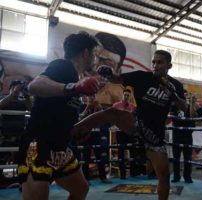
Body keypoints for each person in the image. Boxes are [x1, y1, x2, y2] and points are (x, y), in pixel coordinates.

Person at [16, 32, 135, 200]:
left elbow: (61, 111)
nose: (95, 60)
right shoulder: (63, 66)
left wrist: (80, 127)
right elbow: (34, 86)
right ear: (85, 53)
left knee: (81, 189)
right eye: (94, 55)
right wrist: (73, 87)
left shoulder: (75, 76)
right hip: (38, 146)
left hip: (60, 148)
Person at [72, 50, 187, 200]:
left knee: (164, 177)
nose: (155, 65)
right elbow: (118, 79)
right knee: (113, 112)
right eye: (153, 62)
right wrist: (109, 73)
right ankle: (74, 129)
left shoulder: (176, 85)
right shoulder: (142, 77)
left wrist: (174, 96)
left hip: (155, 135)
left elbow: (185, 107)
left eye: (160, 62)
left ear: (169, 65)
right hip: (137, 124)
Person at [112, 88, 140, 179]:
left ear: (130, 96)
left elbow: (136, 119)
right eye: (125, 95)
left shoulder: (133, 107)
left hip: (130, 132)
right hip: (120, 132)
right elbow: (112, 117)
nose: (127, 96)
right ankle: (123, 175)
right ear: (122, 95)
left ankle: (134, 173)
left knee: (133, 152)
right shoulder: (116, 105)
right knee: (121, 153)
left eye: (128, 95)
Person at [94, 32, 127, 105]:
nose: (96, 64)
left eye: (106, 63)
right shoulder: (74, 79)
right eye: (93, 57)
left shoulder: (118, 96)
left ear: (118, 71)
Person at [171, 89, 194, 183]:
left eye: (185, 96)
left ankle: (187, 176)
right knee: (176, 157)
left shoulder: (190, 107)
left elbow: (193, 119)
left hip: (187, 135)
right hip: (177, 135)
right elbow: (171, 119)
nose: (184, 97)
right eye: (183, 96)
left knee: (187, 158)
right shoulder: (174, 107)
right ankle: (176, 176)